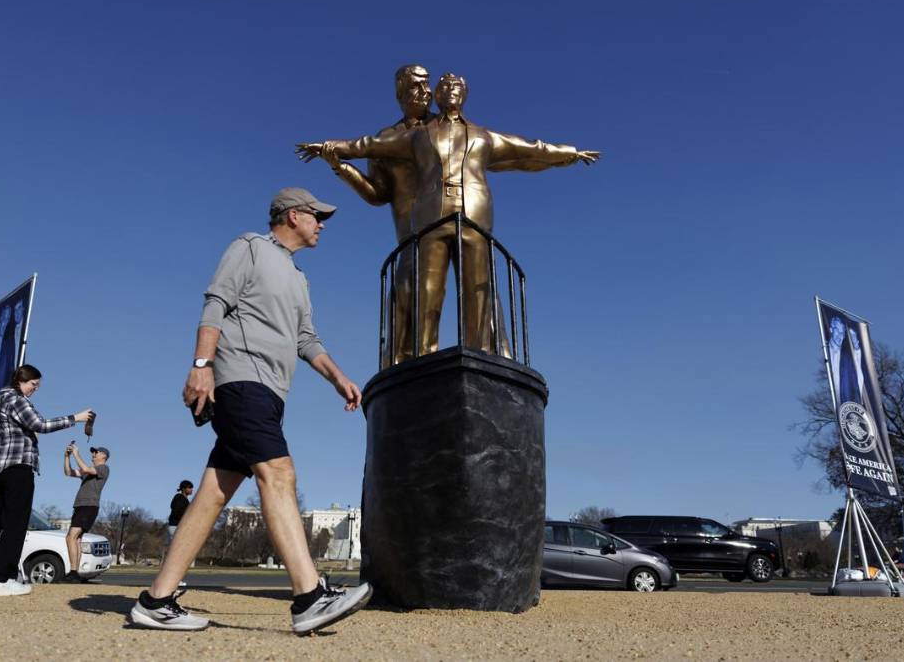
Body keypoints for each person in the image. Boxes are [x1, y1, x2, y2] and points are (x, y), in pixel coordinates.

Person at [129, 187, 372, 634]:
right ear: (293, 215)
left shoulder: (300, 279)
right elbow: (216, 303)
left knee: (213, 495)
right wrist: (202, 365)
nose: (322, 224)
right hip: (240, 380)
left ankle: (155, 600)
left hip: (271, 392)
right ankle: (309, 597)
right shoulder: (250, 248)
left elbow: (305, 340)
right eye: (317, 216)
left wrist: (339, 378)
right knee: (279, 473)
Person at [300, 73, 598, 356]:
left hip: (474, 217)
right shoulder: (418, 136)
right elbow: (368, 145)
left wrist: (570, 154)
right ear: (437, 97)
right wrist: (330, 148)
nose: (447, 91)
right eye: (443, 87)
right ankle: (421, 357)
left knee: (478, 290)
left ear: (465, 95)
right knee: (426, 292)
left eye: (456, 87)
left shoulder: (484, 135)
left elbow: (531, 150)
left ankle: (478, 355)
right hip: (430, 217)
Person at [305, 64, 433, 366]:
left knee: (478, 289)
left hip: (452, 223)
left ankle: (489, 352)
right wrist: (340, 167)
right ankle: (402, 368)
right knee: (404, 302)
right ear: (401, 93)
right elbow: (378, 194)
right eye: (416, 85)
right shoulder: (385, 139)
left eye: (427, 84)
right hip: (410, 236)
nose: (425, 91)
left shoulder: (446, 128)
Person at [0, 364, 93, 596]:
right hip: (17, 467)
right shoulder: (16, 399)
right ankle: (3, 580)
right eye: (34, 384)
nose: (35, 389)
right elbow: (41, 425)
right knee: (15, 523)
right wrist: (75, 418)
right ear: (22, 380)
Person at [62, 444, 111, 583]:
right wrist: (67, 457)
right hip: (80, 506)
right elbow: (69, 472)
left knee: (70, 537)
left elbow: (85, 468)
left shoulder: (103, 468)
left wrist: (76, 453)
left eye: (97, 452)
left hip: (89, 506)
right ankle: (75, 573)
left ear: (104, 456)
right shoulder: (88, 472)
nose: (93, 454)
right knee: (76, 539)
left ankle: (73, 572)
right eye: (93, 452)